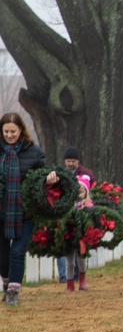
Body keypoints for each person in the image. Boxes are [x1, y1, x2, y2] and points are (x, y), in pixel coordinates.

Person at [1, 113, 59, 306]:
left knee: (17, 252)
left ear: (20, 130)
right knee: (3, 256)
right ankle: (6, 284)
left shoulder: (33, 152)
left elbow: (42, 176)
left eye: (13, 131)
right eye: (6, 131)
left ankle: (13, 293)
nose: (10, 135)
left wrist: (49, 179)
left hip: (24, 212)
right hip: (2, 211)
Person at [57, 146, 97, 284]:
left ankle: (78, 277)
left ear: (78, 161)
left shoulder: (86, 174)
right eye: (68, 161)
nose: (70, 164)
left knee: (79, 252)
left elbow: (91, 185)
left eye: (73, 161)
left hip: (80, 216)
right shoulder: (61, 173)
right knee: (65, 251)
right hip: (65, 213)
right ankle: (64, 277)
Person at [64, 175, 94, 293]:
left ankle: (82, 281)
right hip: (69, 236)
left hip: (82, 236)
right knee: (69, 262)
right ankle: (69, 284)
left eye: (82, 191)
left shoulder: (88, 205)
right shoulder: (69, 205)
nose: (79, 193)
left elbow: (91, 218)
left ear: (86, 192)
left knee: (81, 259)